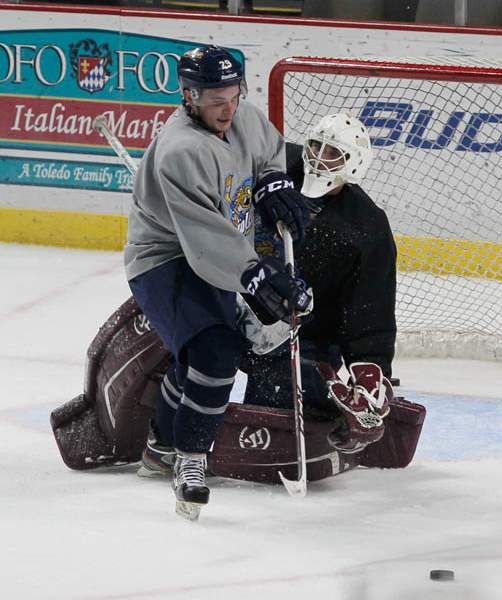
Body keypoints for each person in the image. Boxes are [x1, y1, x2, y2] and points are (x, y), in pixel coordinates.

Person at [124, 45, 311, 518]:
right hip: (165, 258)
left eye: (234, 95)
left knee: (198, 357)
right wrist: (252, 273)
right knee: (215, 351)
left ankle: (160, 445)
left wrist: (272, 181)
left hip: (221, 250)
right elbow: (203, 240)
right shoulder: (179, 150)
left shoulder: (242, 117)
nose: (229, 109)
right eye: (215, 100)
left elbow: (269, 152)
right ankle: (190, 460)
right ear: (189, 97)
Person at [244, 113, 398, 454]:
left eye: (333, 154)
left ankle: (324, 404)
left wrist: (370, 366)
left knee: (289, 386)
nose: (318, 158)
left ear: (354, 164)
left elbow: (369, 310)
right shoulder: (274, 169)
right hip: (237, 299)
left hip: (303, 333)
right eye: (315, 146)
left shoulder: (366, 227)